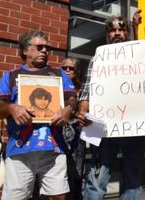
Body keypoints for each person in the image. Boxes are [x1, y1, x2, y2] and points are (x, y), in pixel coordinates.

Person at [76, 13, 145, 200]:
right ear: (107, 35)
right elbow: (87, 90)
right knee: (96, 181)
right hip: (104, 129)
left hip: (135, 130)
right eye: (112, 30)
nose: (117, 33)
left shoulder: (143, 58)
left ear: (127, 33)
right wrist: (82, 111)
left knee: (132, 182)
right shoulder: (98, 58)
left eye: (121, 29)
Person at [0, 30, 77, 200]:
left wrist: (68, 109)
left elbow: (72, 99)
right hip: (20, 149)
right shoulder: (11, 76)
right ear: (25, 50)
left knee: (58, 197)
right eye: (39, 47)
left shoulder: (59, 74)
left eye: (47, 48)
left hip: (54, 148)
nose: (45, 51)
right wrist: (11, 108)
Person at [60, 57, 85, 200]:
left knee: (75, 172)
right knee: (60, 172)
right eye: (64, 68)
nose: (67, 70)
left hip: (77, 137)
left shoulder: (82, 90)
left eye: (71, 68)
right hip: (59, 134)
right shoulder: (56, 86)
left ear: (77, 71)